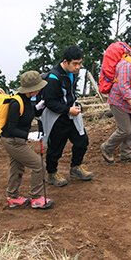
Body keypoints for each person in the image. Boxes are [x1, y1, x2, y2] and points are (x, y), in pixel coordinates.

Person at [41, 45, 94, 187]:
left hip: (71, 114)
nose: (78, 67)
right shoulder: (53, 78)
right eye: (75, 63)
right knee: (56, 148)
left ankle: (76, 167)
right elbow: (49, 102)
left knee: (82, 140)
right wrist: (67, 109)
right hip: (56, 118)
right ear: (65, 61)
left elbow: (70, 94)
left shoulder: (72, 73)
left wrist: (75, 106)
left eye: (80, 63)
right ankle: (52, 173)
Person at [1, 71, 54, 209]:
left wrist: (38, 107)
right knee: (39, 165)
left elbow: (28, 114)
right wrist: (29, 135)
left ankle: (12, 197)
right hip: (13, 141)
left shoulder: (26, 99)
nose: (40, 89)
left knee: (17, 167)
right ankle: (36, 197)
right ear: (31, 89)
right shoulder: (16, 103)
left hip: (17, 141)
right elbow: (11, 128)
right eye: (38, 87)